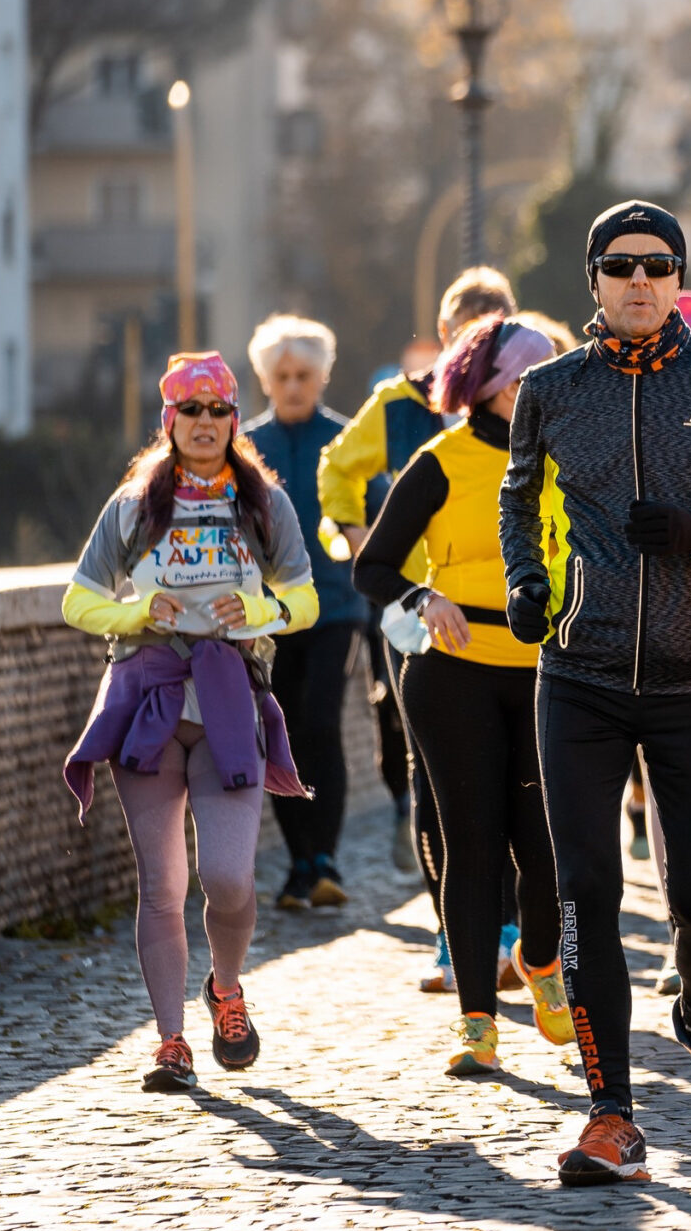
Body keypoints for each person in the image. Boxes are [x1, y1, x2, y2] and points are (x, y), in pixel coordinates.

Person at [500, 200, 691, 1188]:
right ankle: (611, 1115)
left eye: (657, 266)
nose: (638, 280)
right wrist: (526, 586)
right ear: (592, 278)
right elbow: (516, 496)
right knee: (587, 891)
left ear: (676, 280)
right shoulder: (549, 388)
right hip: (576, 673)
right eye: (619, 264)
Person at [61, 353, 319, 1093]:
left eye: (217, 410)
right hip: (147, 696)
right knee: (162, 885)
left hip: (229, 694)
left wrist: (264, 610)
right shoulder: (134, 504)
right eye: (190, 409)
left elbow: (304, 598)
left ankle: (226, 989)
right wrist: (138, 611)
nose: (204, 423)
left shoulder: (262, 501)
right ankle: (170, 1039)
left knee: (229, 878)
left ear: (234, 419)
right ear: (168, 419)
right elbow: (78, 601)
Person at [354, 315, 576, 1076]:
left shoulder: (574, 459)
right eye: (528, 380)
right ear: (491, 386)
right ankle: (477, 1018)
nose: (544, 393)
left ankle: (543, 959)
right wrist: (420, 598)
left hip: (552, 672)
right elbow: (372, 567)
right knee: (471, 846)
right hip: (455, 670)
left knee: (545, 849)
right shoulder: (440, 461)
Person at [319, 266, 518, 990]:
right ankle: (452, 933)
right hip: (413, 610)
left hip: (507, 628)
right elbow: (337, 469)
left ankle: (510, 931)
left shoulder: (531, 404)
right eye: (467, 325)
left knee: (512, 790)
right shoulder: (399, 408)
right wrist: (354, 530)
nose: (479, 338)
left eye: (495, 325)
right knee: (432, 776)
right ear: (443, 335)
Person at [242, 315, 364, 912]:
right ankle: (298, 864)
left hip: (337, 607)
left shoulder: (347, 440)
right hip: (268, 616)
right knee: (277, 734)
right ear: (265, 379)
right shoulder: (246, 447)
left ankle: (326, 857)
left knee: (320, 724)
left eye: (304, 376)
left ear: (322, 377)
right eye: (282, 376)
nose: (293, 386)